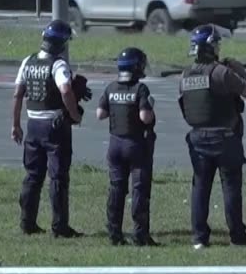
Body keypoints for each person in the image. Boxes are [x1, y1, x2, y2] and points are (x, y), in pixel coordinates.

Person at [179, 25, 246, 249]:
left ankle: (199, 238)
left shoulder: (185, 75)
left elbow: (186, 106)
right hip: (224, 137)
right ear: (211, 47)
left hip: (197, 137)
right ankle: (237, 237)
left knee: (200, 188)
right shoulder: (221, 72)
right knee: (231, 186)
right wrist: (239, 69)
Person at [12, 20, 88, 238]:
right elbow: (65, 90)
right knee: (58, 177)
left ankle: (27, 223)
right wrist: (74, 114)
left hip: (33, 125)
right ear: (61, 43)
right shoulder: (58, 65)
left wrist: (15, 124)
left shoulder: (28, 61)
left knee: (33, 176)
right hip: (54, 126)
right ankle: (60, 226)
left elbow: (18, 94)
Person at [97, 48, 158, 246]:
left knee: (116, 189)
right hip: (136, 145)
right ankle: (140, 235)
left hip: (115, 144)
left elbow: (100, 114)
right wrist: (150, 107)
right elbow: (145, 117)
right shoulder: (140, 89)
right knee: (139, 189)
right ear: (136, 67)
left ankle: (114, 232)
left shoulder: (111, 88)